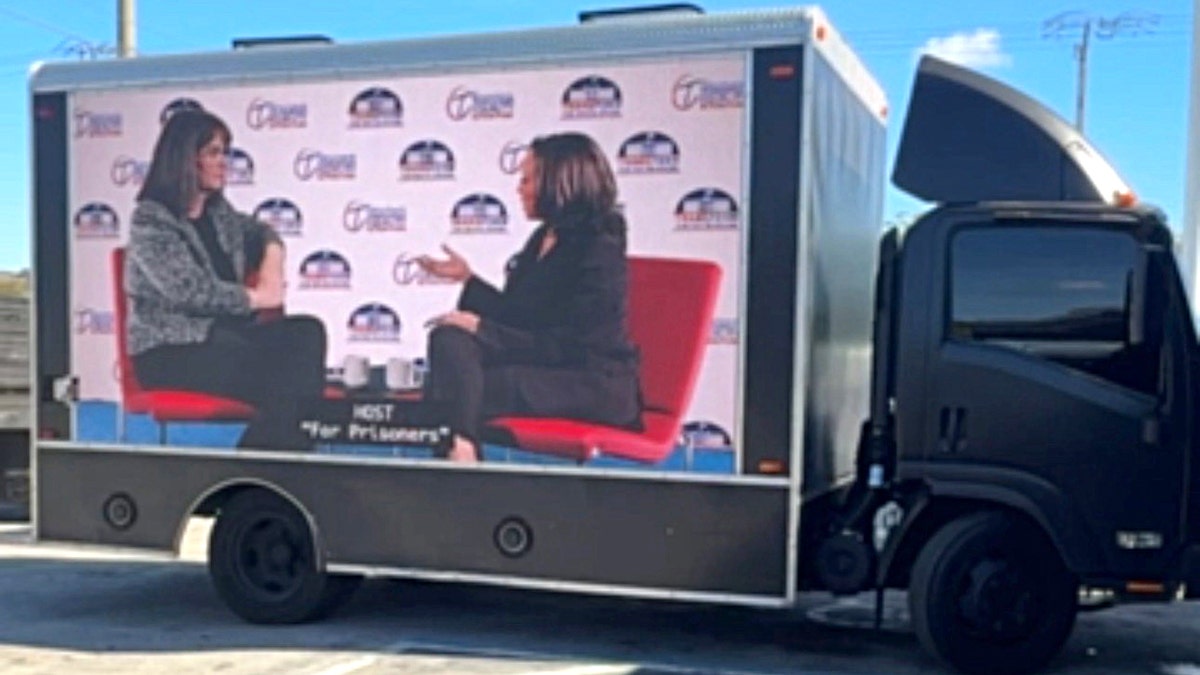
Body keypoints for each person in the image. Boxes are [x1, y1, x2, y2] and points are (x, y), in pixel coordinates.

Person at [417, 132, 642, 463]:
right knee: (449, 337)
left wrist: (483, 330)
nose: (519, 189)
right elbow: (517, 316)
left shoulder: (600, 245)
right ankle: (463, 450)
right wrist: (468, 280)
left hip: (590, 380)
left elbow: (573, 344)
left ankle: (460, 455)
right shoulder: (544, 236)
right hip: (543, 367)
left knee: (458, 392)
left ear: (560, 183)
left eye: (528, 178)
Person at [124, 109, 326, 451]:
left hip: (226, 341)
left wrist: (272, 267)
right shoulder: (151, 220)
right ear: (186, 158)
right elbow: (189, 291)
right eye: (214, 153)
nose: (224, 163)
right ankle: (273, 467)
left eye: (225, 153)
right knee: (290, 382)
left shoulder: (218, 212)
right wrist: (258, 299)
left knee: (306, 332)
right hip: (172, 353)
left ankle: (261, 464)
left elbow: (263, 232)